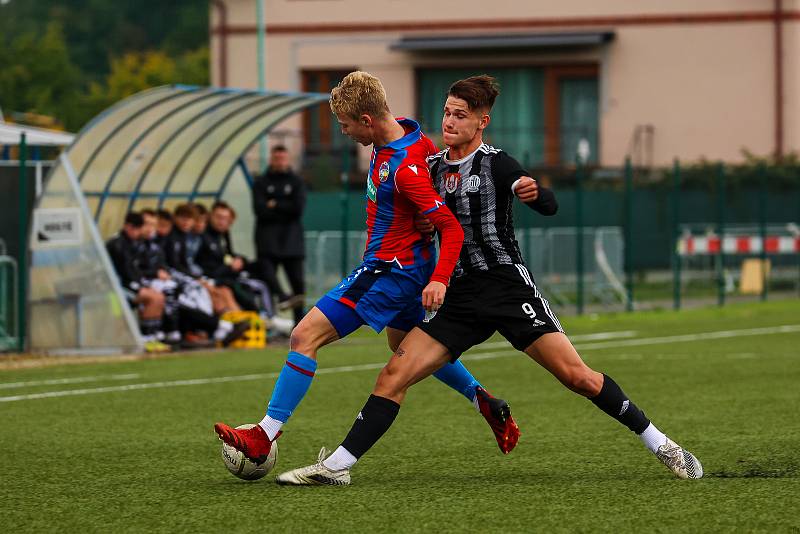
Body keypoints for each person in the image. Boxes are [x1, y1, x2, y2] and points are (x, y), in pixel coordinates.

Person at [275, 75, 703, 486]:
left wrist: (536, 193)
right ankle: (337, 466)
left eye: (460, 115)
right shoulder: (431, 165)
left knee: (578, 378)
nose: (449, 121)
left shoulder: (497, 163)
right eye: (446, 112)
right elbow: (419, 209)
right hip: (460, 297)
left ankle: (660, 442)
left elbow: (543, 200)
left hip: (505, 288)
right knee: (393, 375)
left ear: (482, 122)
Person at [214, 71, 521, 466]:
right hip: (406, 268)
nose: (342, 132)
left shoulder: (405, 166)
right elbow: (430, 194)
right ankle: (484, 401)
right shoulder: (413, 138)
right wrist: (421, 224)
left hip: (390, 271)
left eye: (344, 125)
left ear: (366, 120)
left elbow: (448, 224)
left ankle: (264, 434)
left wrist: (440, 274)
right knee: (404, 346)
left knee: (303, 336)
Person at [252, 144, 307, 324]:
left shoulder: (296, 181)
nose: (280, 161)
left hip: (291, 240)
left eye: (283, 158)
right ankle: (270, 318)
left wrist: (274, 204)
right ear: (271, 159)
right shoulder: (261, 182)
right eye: (276, 158)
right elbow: (259, 209)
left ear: (288, 159)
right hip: (267, 239)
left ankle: (299, 325)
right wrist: (284, 206)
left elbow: (297, 209)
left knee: (297, 282)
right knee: (266, 276)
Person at [105, 212, 169, 352]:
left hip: (128, 285)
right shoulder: (117, 244)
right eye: (135, 228)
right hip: (114, 289)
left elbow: (136, 268)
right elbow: (124, 271)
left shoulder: (135, 242)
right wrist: (139, 286)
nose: (137, 232)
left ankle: (151, 337)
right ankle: (144, 339)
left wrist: (142, 283)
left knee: (159, 296)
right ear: (127, 226)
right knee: (153, 297)